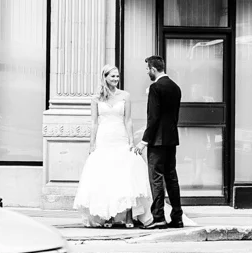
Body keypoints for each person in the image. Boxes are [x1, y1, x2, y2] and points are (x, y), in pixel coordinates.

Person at [73, 65, 153, 228]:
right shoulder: (96, 98)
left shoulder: (125, 96)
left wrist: (131, 140)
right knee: (106, 176)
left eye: (117, 76)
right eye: (112, 76)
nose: (116, 79)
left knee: (125, 174)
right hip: (104, 139)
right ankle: (108, 215)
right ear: (105, 77)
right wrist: (92, 144)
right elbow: (94, 122)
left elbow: (128, 120)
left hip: (120, 137)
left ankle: (129, 215)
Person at [142, 55, 183, 228]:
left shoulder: (155, 88)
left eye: (147, 69)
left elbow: (153, 117)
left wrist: (144, 140)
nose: (147, 73)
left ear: (153, 69)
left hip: (157, 141)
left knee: (156, 178)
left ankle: (158, 217)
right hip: (171, 139)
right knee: (171, 177)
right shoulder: (175, 87)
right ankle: (177, 217)